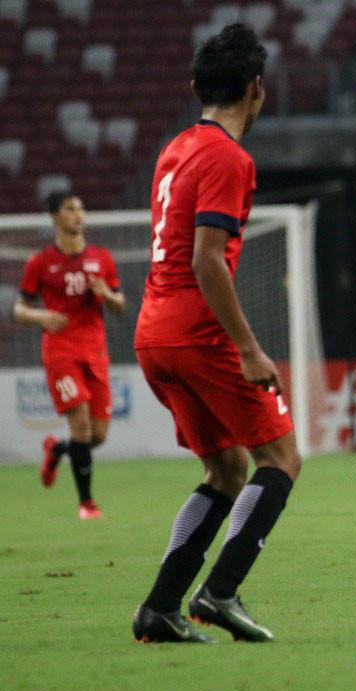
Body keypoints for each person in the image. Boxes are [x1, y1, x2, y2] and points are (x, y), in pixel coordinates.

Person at [130, 23, 300, 644]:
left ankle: (159, 609)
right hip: (198, 334)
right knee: (281, 457)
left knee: (226, 470)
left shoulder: (175, 149)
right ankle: (220, 592)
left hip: (154, 333)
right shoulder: (229, 157)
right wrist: (250, 349)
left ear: (195, 86)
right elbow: (206, 260)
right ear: (256, 89)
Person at [14, 191, 124, 520]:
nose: (78, 215)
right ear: (55, 217)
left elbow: (120, 306)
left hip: (95, 351)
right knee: (80, 426)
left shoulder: (102, 259)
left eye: (81, 208)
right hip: (60, 351)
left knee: (98, 436)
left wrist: (105, 294)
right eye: (70, 209)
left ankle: (57, 449)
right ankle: (87, 504)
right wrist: (40, 317)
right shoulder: (40, 262)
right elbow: (20, 308)